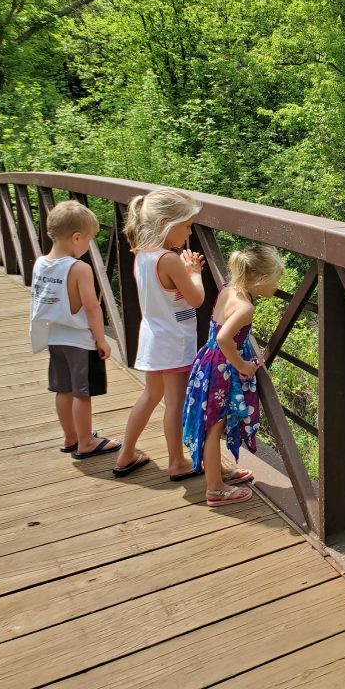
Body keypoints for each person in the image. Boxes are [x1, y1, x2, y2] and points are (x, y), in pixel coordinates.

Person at [112, 187, 205, 479]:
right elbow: (196, 299)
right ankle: (177, 461)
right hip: (174, 340)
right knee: (174, 402)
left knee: (150, 396)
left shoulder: (142, 255)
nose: (189, 233)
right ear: (166, 223)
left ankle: (126, 453)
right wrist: (195, 273)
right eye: (187, 225)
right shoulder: (170, 260)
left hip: (152, 336)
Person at [182, 246, 283, 506]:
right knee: (214, 427)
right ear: (260, 279)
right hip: (220, 370)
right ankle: (215, 489)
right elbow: (225, 337)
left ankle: (217, 471)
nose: (278, 285)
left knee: (211, 424)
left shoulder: (228, 289)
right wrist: (241, 365)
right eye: (276, 279)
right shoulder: (246, 307)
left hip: (206, 360)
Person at [30, 200, 122, 459]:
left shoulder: (40, 263)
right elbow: (93, 309)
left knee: (63, 389)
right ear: (77, 237)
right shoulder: (79, 268)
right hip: (80, 340)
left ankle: (70, 437)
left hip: (55, 337)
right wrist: (101, 340)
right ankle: (86, 442)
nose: (89, 245)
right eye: (89, 239)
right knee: (83, 393)